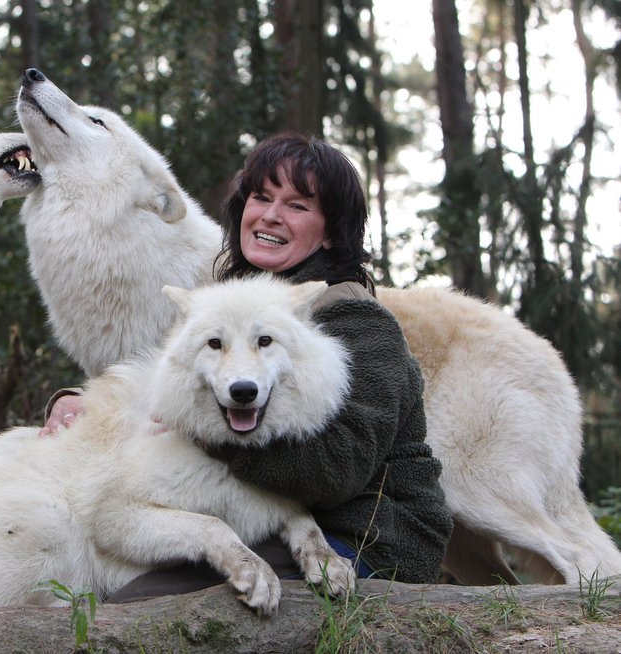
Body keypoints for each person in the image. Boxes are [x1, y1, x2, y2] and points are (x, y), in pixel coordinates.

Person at [43, 132, 453, 594]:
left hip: (368, 539)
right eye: (261, 197)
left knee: (144, 607)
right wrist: (81, 402)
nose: (271, 215)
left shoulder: (359, 322)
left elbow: (335, 471)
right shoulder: (235, 302)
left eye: (298, 206)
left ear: (332, 232)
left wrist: (201, 428)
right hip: (263, 514)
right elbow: (168, 377)